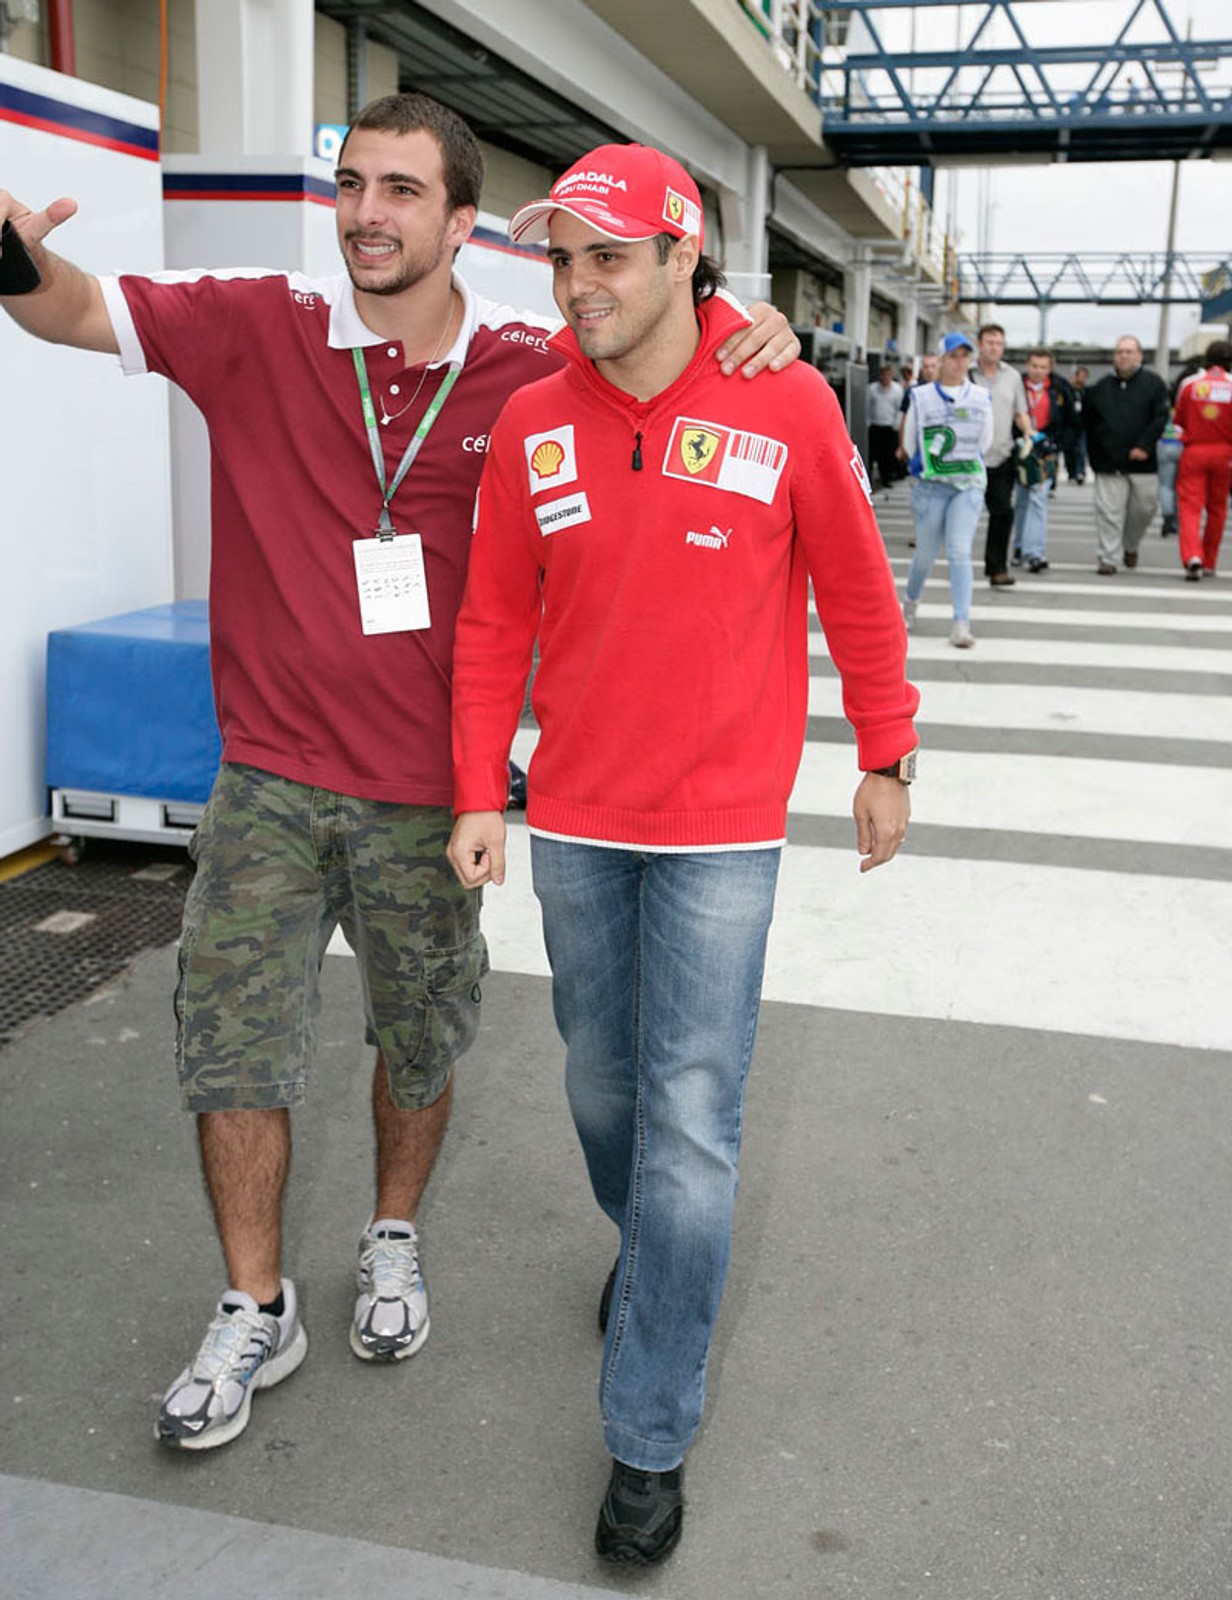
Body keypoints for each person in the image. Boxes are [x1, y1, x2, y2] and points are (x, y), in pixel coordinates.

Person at [0, 94, 797, 1453]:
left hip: (435, 791)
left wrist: (737, 324)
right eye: (351, 185)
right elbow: (71, 306)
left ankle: (391, 1234)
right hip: (265, 774)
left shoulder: (533, 368)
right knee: (229, 1038)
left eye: (402, 192)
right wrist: (12, 258)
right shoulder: (256, 326)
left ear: (462, 222)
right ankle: (256, 1302)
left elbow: (657, 334)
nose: (366, 213)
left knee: (417, 1034)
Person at [445, 143, 918, 1567]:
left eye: (606, 256)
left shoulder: (785, 396)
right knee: (603, 1091)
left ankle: (647, 1433)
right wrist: (481, 788)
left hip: (721, 833)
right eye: (562, 257)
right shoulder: (534, 416)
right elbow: (487, 627)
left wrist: (887, 755)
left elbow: (856, 587)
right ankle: (652, 1251)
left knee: (694, 1127)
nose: (578, 282)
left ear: (680, 259)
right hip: (578, 823)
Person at [900, 332, 994, 647]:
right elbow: (910, 439)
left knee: (959, 551)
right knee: (925, 555)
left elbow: (986, 441)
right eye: (953, 355)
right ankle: (910, 605)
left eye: (965, 356)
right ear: (941, 359)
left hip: (967, 485)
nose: (959, 362)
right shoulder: (922, 396)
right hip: (930, 486)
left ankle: (961, 623)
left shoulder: (981, 397)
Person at [1084, 334, 1170, 574]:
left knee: (1144, 509)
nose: (1123, 356)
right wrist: (1094, 457)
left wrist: (1144, 445)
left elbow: (1160, 418)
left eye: (1129, 351)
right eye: (1119, 351)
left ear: (1139, 355)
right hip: (1109, 462)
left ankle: (1130, 545)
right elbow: (1089, 425)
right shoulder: (1099, 389)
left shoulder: (1154, 385)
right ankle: (1109, 558)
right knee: (1109, 513)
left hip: (1143, 462)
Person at [970, 322, 1032, 588]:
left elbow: (1020, 411)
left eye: (999, 343)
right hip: (969, 457)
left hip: (1002, 455)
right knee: (964, 515)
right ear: (979, 345)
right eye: (989, 342)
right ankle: (957, 562)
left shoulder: (1013, 377)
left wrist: (1029, 434)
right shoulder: (967, 373)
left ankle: (997, 568)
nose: (994, 348)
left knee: (1003, 512)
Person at [1012, 347, 1078, 573]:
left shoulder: (1060, 388)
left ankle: (1035, 552)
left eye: (1043, 367)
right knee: (1021, 500)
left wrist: (1058, 444)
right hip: (1019, 449)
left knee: (1038, 500)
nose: (1038, 371)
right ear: (1027, 365)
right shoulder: (1017, 384)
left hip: (1046, 450)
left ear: (1050, 368)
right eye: (1034, 366)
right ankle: (1019, 546)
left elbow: (1072, 420)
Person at [1172, 338, 1232, 579]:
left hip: (1194, 450)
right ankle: (1209, 561)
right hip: (1226, 453)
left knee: (1189, 506)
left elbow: (1177, 421)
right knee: (1217, 508)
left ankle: (1192, 556)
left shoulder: (1190, 384)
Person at [868, 361, 905, 489]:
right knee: (872, 454)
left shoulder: (897, 390)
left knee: (887, 455)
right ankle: (868, 478)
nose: (885, 378)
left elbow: (899, 409)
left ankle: (886, 478)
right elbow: (868, 407)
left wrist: (896, 425)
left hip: (889, 427)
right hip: (875, 425)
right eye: (883, 375)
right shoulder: (872, 389)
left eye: (888, 375)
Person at [1064, 365, 1090, 483]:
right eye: (1081, 376)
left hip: (1083, 424)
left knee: (1081, 449)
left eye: (1085, 377)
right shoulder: (1068, 390)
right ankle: (1071, 472)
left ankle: (1080, 472)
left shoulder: (1087, 391)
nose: (1083, 379)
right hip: (1069, 424)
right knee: (1069, 449)